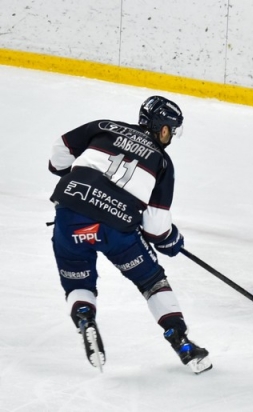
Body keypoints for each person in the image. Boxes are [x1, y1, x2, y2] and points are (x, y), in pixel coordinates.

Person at [47, 96, 211, 374]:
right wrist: (171, 241)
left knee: (78, 280)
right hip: (116, 228)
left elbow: (59, 151)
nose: (170, 136)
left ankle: (85, 318)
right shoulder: (162, 162)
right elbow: (156, 229)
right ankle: (181, 342)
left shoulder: (103, 126)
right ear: (161, 128)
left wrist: (70, 171)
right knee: (152, 281)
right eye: (170, 129)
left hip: (70, 217)